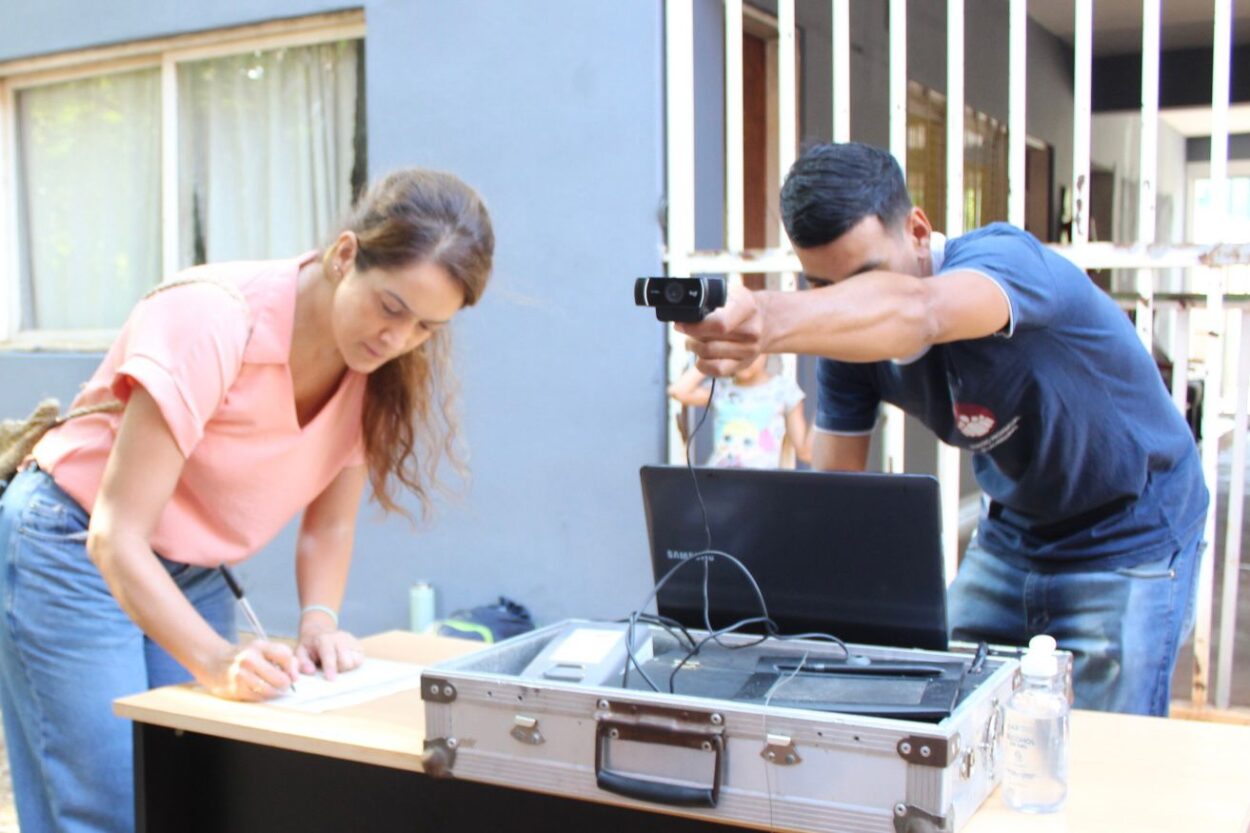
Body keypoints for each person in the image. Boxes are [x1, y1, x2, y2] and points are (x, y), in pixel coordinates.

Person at [0, 168, 494, 832]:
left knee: (191, 788)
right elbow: (114, 535)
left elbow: (328, 526)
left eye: (426, 327)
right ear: (345, 254)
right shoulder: (211, 317)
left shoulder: (379, 371)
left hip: (189, 566)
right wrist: (215, 659)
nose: (397, 338)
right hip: (74, 543)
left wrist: (319, 620)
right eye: (390, 306)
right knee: (108, 803)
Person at [676, 141, 1207, 717]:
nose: (840, 305)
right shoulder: (847, 349)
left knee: (1108, 750)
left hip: (1132, 527)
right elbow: (833, 488)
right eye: (820, 287)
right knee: (943, 710)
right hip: (1013, 533)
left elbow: (920, 313)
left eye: (862, 280)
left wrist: (768, 319)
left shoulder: (1005, 261)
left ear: (919, 231)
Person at [667, 354, 812, 468]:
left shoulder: (784, 390)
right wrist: (711, 358)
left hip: (761, 487)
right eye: (736, 353)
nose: (742, 359)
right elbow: (678, 391)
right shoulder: (720, 388)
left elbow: (804, 452)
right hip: (719, 483)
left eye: (749, 351)